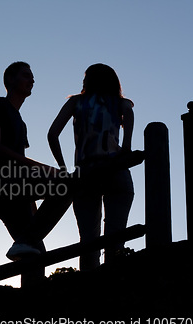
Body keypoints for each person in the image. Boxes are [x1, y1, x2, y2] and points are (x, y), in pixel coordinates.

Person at [0, 61, 70, 262]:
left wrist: (33, 210)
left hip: (16, 188)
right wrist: (46, 169)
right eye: (26, 75)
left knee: (34, 253)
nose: (32, 80)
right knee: (66, 184)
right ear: (10, 79)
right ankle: (25, 241)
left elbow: (19, 166)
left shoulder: (21, 122)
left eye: (32, 76)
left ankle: (25, 243)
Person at [48, 63, 135, 270]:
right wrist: (127, 146)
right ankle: (115, 284)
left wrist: (62, 168)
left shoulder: (76, 103)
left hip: (85, 172)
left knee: (88, 241)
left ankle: (89, 289)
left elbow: (52, 134)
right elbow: (129, 112)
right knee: (116, 237)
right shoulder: (119, 103)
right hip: (115, 167)